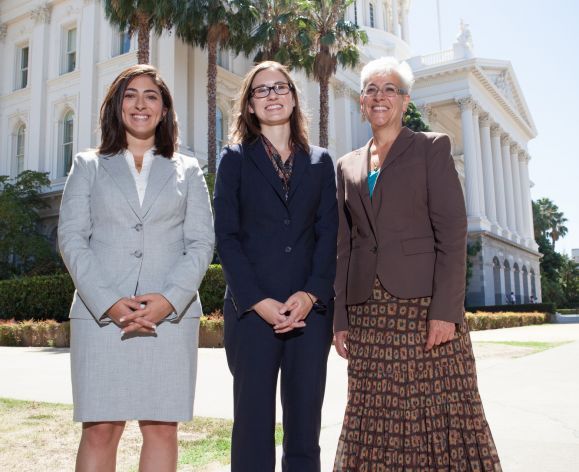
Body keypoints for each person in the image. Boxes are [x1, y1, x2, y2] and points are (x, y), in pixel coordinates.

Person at [333, 57, 502, 471]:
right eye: (371, 89)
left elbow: (452, 234)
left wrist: (446, 313)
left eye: (389, 89)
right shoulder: (346, 165)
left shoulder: (431, 147)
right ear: (360, 102)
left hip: (423, 309)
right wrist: (339, 319)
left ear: (405, 100)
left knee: (438, 411)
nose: (379, 96)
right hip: (367, 313)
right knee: (374, 414)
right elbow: (343, 246)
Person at [58, 64, 214, 472]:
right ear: (116, 106)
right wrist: (108, 302)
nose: (140, 103)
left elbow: (200, 242)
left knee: (162, 428)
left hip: (170, 319)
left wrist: (170, 300)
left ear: (164, 110)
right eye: (130, 94)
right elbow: (72, 239)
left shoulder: (189, 168)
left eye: (151, 96)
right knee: (100, 430)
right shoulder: (87, 164)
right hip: (101, 318)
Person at [214, 60, 338, 472]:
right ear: (249, 105)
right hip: (251, 315)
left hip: (310, 315)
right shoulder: (232, 159)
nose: (272, 95)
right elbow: (227, 238)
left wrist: (310, 294)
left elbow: (328, 235)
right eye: (261, 90)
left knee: (305, 429)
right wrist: (258, 302)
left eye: (280, 87)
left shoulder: (321, 162)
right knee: (252, 428)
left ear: (293, 96)